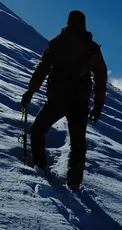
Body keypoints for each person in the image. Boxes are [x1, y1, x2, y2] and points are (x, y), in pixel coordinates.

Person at [21, 10, 108, 191]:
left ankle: (39, 166)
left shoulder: (57, 43)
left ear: (68, 22)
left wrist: (31, 91)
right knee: (78, 141)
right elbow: (101, 77)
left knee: (38, 129)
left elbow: (43, 68)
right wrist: (98, 105)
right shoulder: (91, 48)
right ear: (84, 24)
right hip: (80, 101)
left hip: (57, 98)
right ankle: (74, 182)